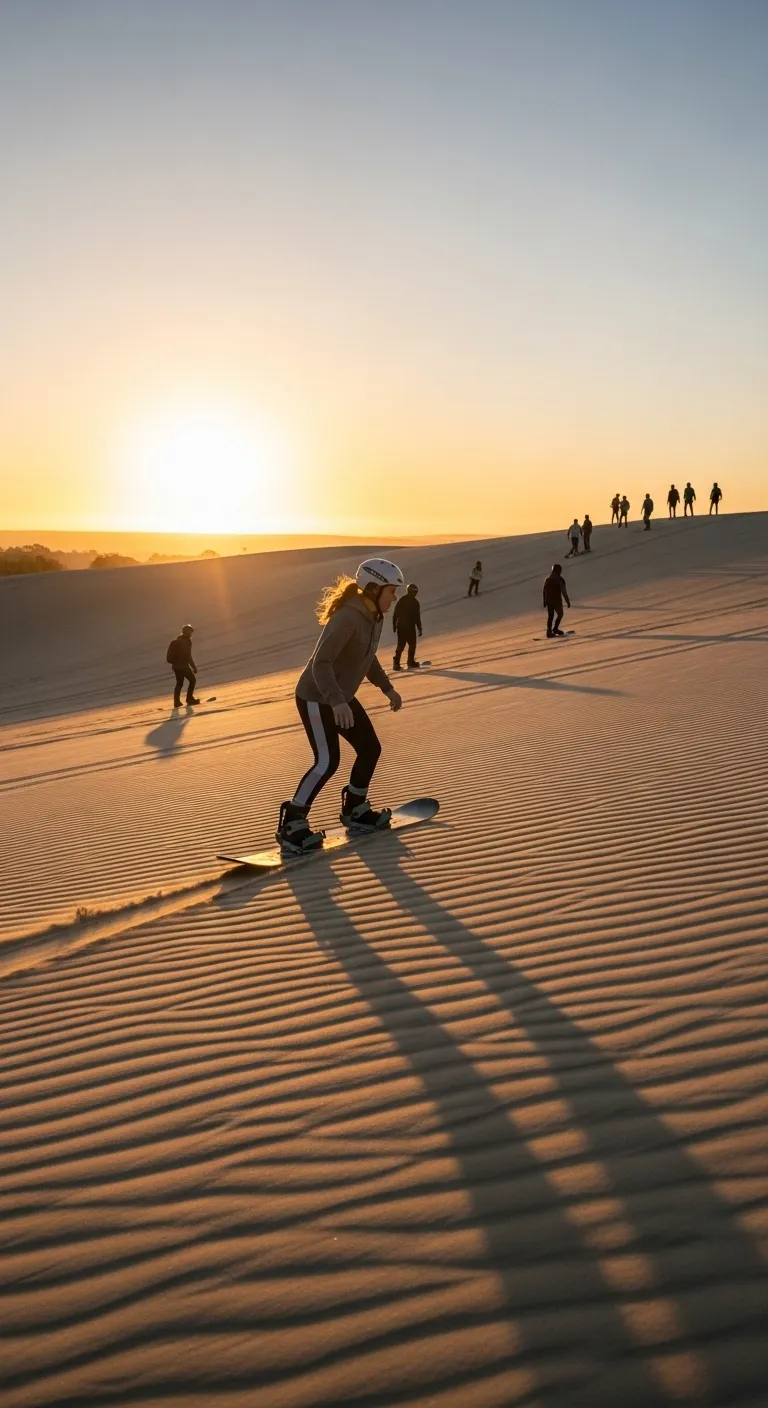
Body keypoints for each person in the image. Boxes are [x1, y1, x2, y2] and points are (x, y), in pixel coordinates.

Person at [275, 559, 404, 854]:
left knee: (370, 748)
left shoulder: (374, 618)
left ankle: (355, 810)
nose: (394, 597)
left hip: (340, 697)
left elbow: (367, 657)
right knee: (327, 761)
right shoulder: (347, 618)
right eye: (391, 591)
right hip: (316, 697)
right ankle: (291, 824)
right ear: (373, 589)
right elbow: (321, 663)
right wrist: (336, 702)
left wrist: (387, 688)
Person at [167, 624, 200, 708]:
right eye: (191, 632)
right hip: (183, 666)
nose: (191, 634)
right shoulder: (187, 642)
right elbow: (188, 655)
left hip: (176, 667)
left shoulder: (177, 640)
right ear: (187, 632)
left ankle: (176, 702)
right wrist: (193, 667)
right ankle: (189, 699)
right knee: (192, 680)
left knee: (179, 683)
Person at [392, 582, 423, 670]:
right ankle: (405, 662)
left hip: (404, 626)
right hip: (406, 627)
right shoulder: (414, 602)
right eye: (414, 592)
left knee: (406, 645)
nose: (415, 594)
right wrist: (419, 628)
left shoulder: (404, 600)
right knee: (406, 645)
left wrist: (394, 625)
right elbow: (417, 617)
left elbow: (395, 613)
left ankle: (404, 662)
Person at [543, 564, 571, 637]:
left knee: (550, 615)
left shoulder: (548, 579)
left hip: (548, 600)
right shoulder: (559, 579)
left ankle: (549, 631)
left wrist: (544, 601)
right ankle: (555, 629)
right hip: (556, 600)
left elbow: (544, 590)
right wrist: (567, 601)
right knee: (560, 614)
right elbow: (564, 592)